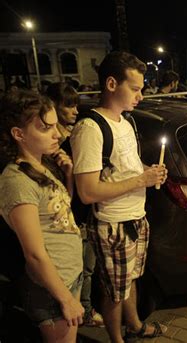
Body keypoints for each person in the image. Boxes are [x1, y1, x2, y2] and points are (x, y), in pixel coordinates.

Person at [70, 51, 168, 342]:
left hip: (136, 218)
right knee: (114, 291)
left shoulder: (127, 122)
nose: (141, 95)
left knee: (131, 279)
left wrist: (148, 172)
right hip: (112, 224)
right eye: (135, 88)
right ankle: (117, 339)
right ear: (112, 84)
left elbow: (125, 169)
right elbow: (88, 192)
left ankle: (135, 325)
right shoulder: (90, 129)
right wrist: (141, 179)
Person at [0, 90, 84, 342]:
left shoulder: (41, 164)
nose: (57, 134)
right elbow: (34, 254)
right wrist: (66, 299)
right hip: (52, 290)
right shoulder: (17, 181)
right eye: (46, 128)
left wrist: (68, 176)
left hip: (68, 276)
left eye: (54, 125)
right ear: (19, 134)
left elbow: (59, 212)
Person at [46, 82, 105, 327]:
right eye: (68, 105)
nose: (74, 110)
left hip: (85, 211)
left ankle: (84, 308)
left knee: (87, 267)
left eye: (76, 105)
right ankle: (82, 311)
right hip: (69, 216)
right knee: (78, 269)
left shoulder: (74, 135)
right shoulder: (52, 146)